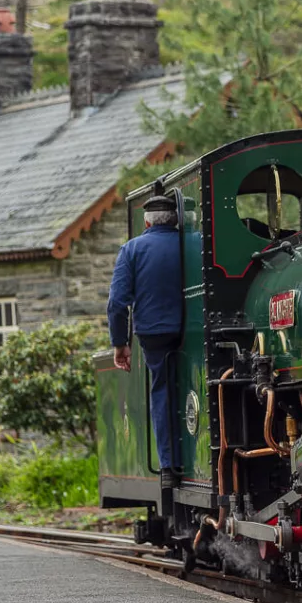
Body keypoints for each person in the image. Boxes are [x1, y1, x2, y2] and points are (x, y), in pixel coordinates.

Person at [107, 195, 184, 488]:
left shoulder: (133, 249)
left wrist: (120, 343)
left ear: (147, 221)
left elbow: (117, 303)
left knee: (162, 391)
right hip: (193, 328)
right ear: (175, 219)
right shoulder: (193, 243)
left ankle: (168, 466)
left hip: (154, 333)